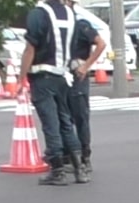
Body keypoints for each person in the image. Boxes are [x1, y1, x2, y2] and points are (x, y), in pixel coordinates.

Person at [22, 0, 87, 184]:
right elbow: (73, 47)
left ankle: (57, 170)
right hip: (62, 75)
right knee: (65, 122)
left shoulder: (39, 13)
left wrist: (21, 78)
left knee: (51, 124)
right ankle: (79, 169)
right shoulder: (69, 13)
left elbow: (30, 48)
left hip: (42, 76)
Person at [67, 0, 108, 179]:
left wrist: (86, 66)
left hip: (77, 74)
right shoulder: (55, 26)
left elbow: (101, 43)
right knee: (63, 118)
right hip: (60, 74)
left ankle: (85, 156)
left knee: (80, 117)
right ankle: (67, 155)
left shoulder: (81, 24)